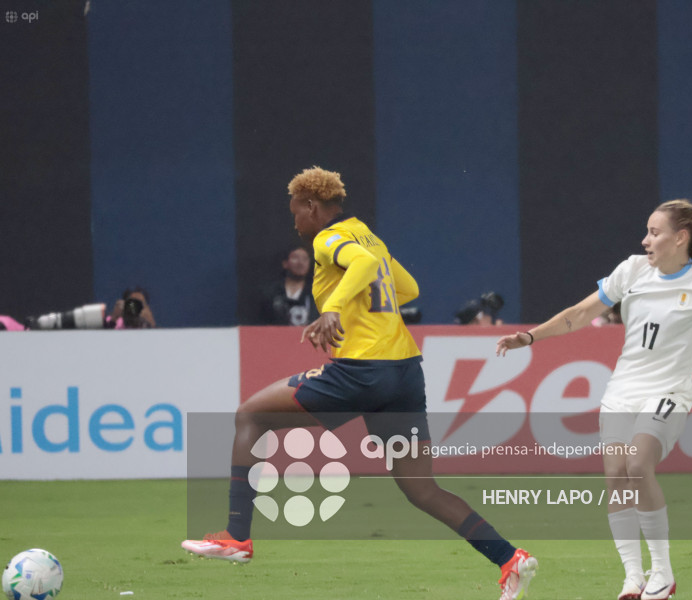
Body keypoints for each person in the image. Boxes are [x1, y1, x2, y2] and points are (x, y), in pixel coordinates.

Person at [182, 166, 537, 600]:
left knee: (250, 416)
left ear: (312, 207)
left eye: (296, 213)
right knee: (421, 488)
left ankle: (236, 536)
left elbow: (365, 267)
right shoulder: (367, 236)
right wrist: (359, 301)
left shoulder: (328, 239)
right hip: (404, 372)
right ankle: (509, 558)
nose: (295, 222)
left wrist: (333, 307)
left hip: (363, 371)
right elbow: (407, 287)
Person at [496, 199, 692, 600]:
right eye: (647, 232)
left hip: (668, 394)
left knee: (637, 464)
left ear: (680, 238)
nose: (645, 240)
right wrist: (530, 337)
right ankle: (633, 577)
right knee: (617, 478)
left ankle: (662, 573)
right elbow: (579, 313)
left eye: (654, 233)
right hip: (622, 392)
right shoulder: (632, 270)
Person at [255, 245, 318, 325]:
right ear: (285, 263)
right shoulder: (270, 293)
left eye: (305, 259)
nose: (300, 263)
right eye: (295, 258)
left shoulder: (316, 294)